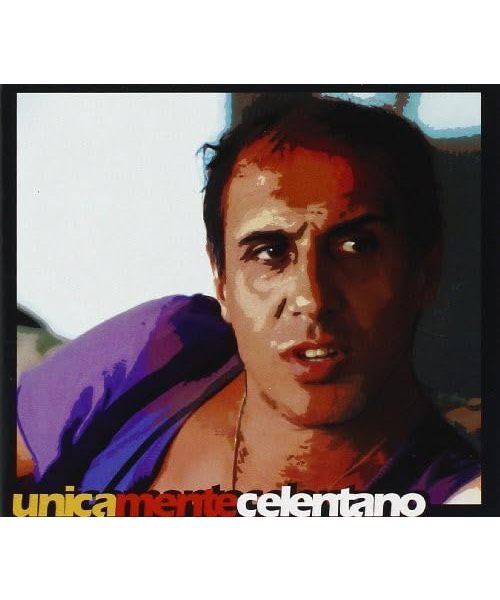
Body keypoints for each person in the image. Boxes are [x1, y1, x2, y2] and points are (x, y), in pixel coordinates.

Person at [16, 94, 481, 506]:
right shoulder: (165, 345)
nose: (311, 298)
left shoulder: (452, 499)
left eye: (355, 246)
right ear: (221, 281)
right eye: (269, 252)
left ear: (425, 270)